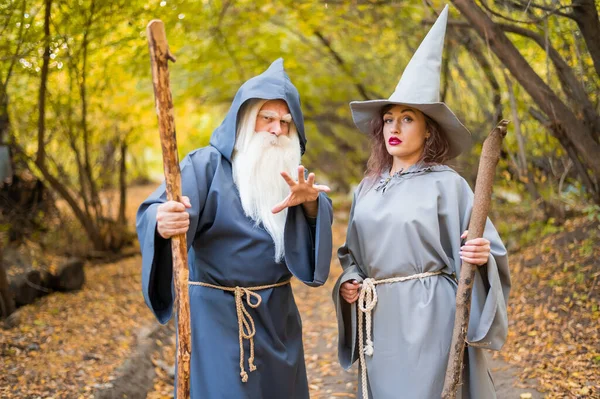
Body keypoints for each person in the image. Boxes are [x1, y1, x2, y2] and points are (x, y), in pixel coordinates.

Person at [332, 6, 510, 399]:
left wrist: (479, 255)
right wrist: (351, 283)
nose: (394, 127)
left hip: (432, 319)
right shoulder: (367, 187)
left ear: (429, 131)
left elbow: (487, 249)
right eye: (389, 118)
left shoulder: (448, 185)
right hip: (378, 321)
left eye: (407, 118)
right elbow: (353, 258)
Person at [137, 58, 333, 398]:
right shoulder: (205, 164)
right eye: (267, 119)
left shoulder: (291, 175)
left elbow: (312, 245)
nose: (276, 130)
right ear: (245, 120)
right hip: (217, 317)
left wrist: (312, 205)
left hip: (277, 315)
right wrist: (162, 220)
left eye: (285, 122)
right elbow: (157, 207)